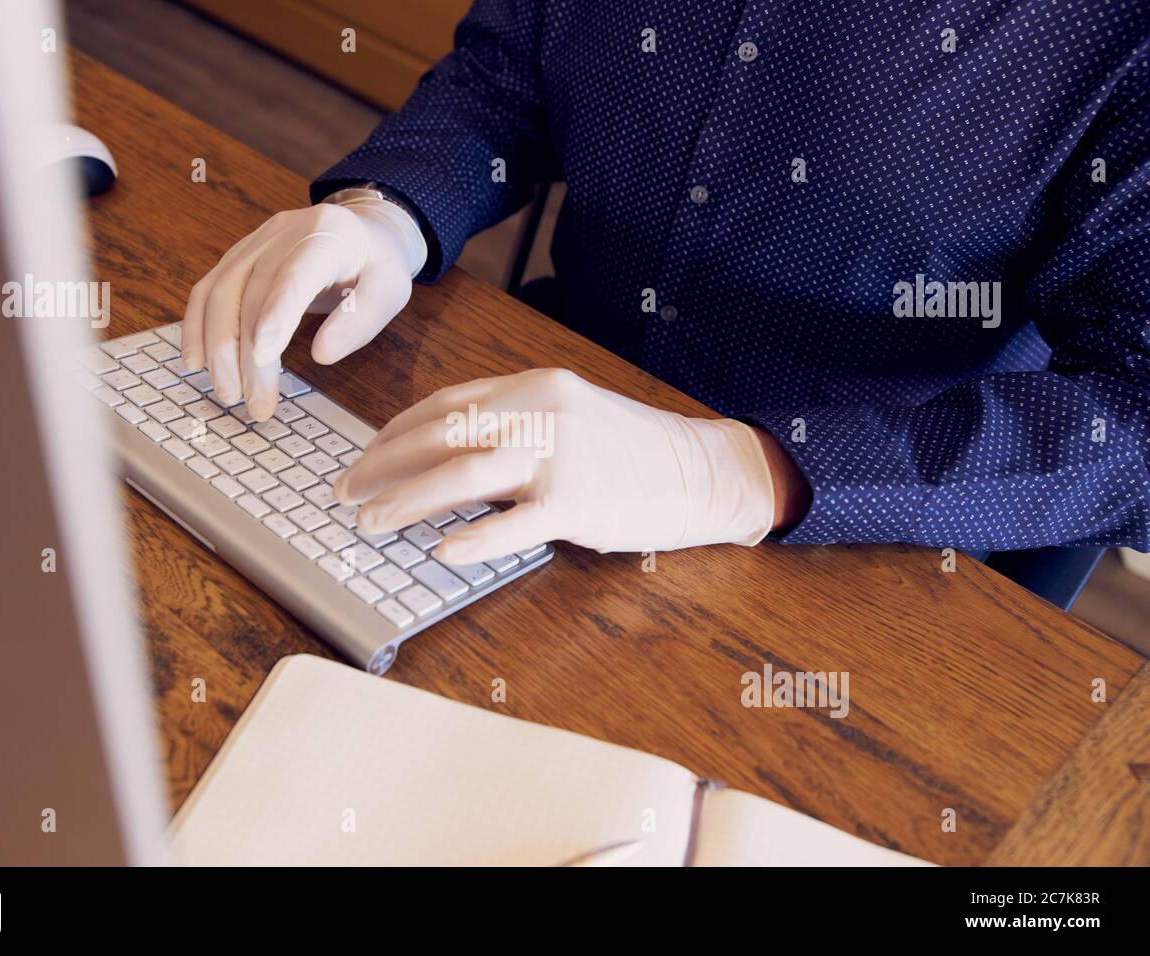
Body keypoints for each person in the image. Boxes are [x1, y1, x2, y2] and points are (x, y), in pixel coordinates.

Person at [180, 1, 1150, 567]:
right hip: (541, 414)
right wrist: (386, 212)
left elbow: (1135, 423)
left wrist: (726, 475)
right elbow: (509, 73)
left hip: (851, 543)